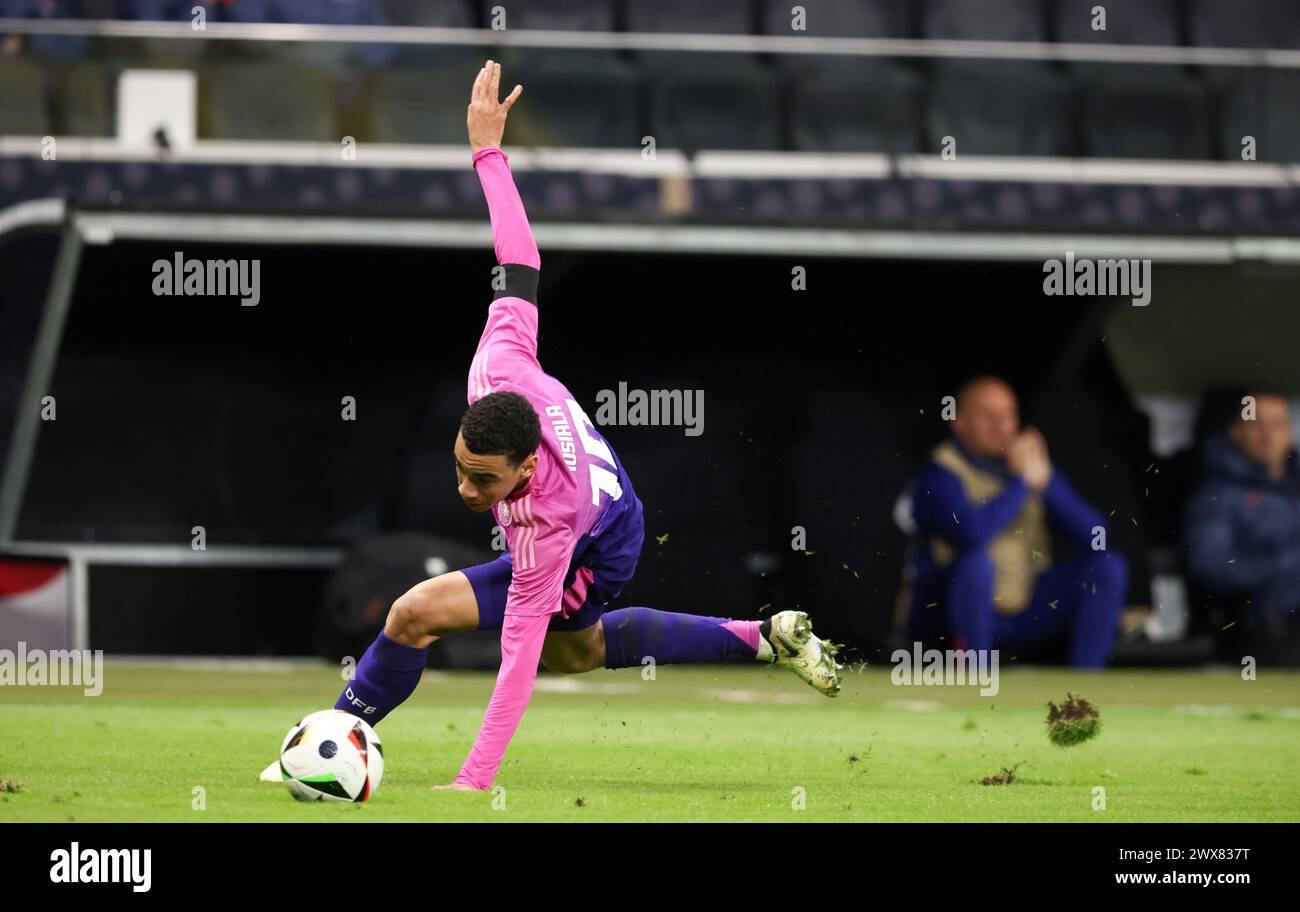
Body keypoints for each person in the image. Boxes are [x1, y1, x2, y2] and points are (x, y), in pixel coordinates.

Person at [261, 60, 841, 792]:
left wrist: (472, 783)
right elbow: (520, 256)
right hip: (589, 489)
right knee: (503, 634)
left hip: (603, 537)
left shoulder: (545, 522)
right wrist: (487, 153)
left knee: (531, 641)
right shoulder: (497, 361)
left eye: (484, 480)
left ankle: (326, 750)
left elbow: (514, 665)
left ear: (525, 469)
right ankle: (767, 637)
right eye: (461, 466)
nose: (468, 490)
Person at [906, 375, 1127, 668]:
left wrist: (1046, 483)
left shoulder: (1031, 470)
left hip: (1027, 607)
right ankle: (974, 676)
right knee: (975, 564)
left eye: (1008, 414)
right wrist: (1022, 484)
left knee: (1107, 566)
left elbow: (1096, 534)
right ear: (958, 422)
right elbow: (972, 534)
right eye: (987, 415)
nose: (1001, 425)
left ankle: (1084, 684)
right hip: (956, 619)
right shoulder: (940, 471)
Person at [1184, 392, 1300, 664]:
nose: (1268, 435)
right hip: (1268, 627)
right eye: (1256, 424)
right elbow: (1209, 567)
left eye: (1277, 425)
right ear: (1235, 432)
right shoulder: (1219, 497)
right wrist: (1285, 566)